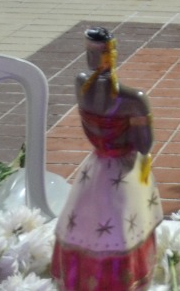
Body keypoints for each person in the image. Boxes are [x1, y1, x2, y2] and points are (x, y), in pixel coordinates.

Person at [51, 27, 162, 290]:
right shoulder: (133, 99)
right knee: (124, 227)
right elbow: (144, 145)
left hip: (95, 169)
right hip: (123, 172)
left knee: (84, 223)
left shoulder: (80, 84)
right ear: (112, 55)